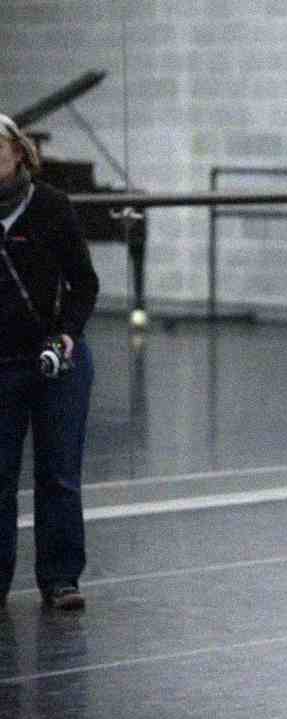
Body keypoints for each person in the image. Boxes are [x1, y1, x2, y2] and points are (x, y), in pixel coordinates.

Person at [0, 113, 99, 611]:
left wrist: (66, 336)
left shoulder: (51, 208)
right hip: (3, 363)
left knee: (58, 473)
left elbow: (85, 283)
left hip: (57, 359)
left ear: (19, 152)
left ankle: (61, 579)